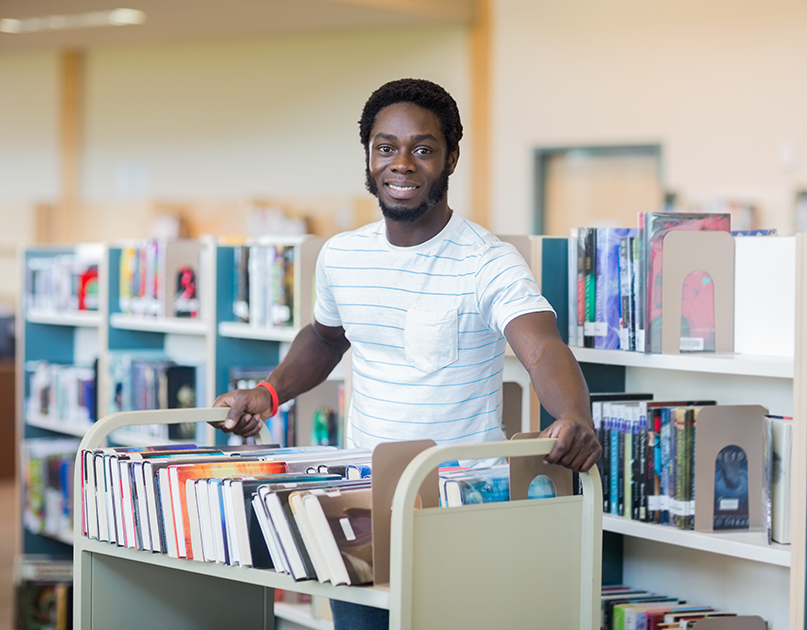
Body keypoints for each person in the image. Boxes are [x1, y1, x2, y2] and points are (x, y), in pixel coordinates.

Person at [213, 78, 601, 629]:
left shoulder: (488, 261)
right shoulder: (343, 256)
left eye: (423, 148)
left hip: (461, 504)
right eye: (386, 147)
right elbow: (326, 337)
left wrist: (573, 417)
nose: (402, 164)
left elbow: (540, 347)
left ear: (450, 158)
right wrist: (269, 392)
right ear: (369, 156)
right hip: (361, 501)